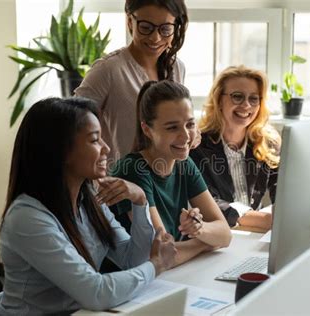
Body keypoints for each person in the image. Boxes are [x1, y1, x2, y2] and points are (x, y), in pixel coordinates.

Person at [0, 97, 177, 315]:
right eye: (94, 140)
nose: (106, 148)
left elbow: (130, 261)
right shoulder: (27, 218)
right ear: (61, 151)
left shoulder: (87, 198)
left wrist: (140, 200)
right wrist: (156, 265)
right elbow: (96, 292)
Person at [99, 80, 231, 266]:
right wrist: (205, 243)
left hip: (169, 277)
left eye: (190, 124)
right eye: (172, 127)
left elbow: (225, 234)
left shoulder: (183, 163)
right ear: (147, 130)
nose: (186, 136)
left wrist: (199, 228)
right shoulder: (132, 169)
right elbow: (161, 253)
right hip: (132, 283)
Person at [75, 0, 189, 166]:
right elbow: (72, 128)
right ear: (130, 21)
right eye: (145, 27)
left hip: (165, 183)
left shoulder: (177, 68)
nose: (155, 38)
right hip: (120, 183)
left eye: (165, 29)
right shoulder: (108, 70)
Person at [190, 65, 281, 231]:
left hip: (252, 233)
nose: (246, 105)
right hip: (216, 234)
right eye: (237, 97)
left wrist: (284, 213)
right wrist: (263, 220)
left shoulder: (267, 143)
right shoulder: (197, 147)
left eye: (254, 99)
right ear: (219, 100)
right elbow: (206, 202)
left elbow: (282, 191)